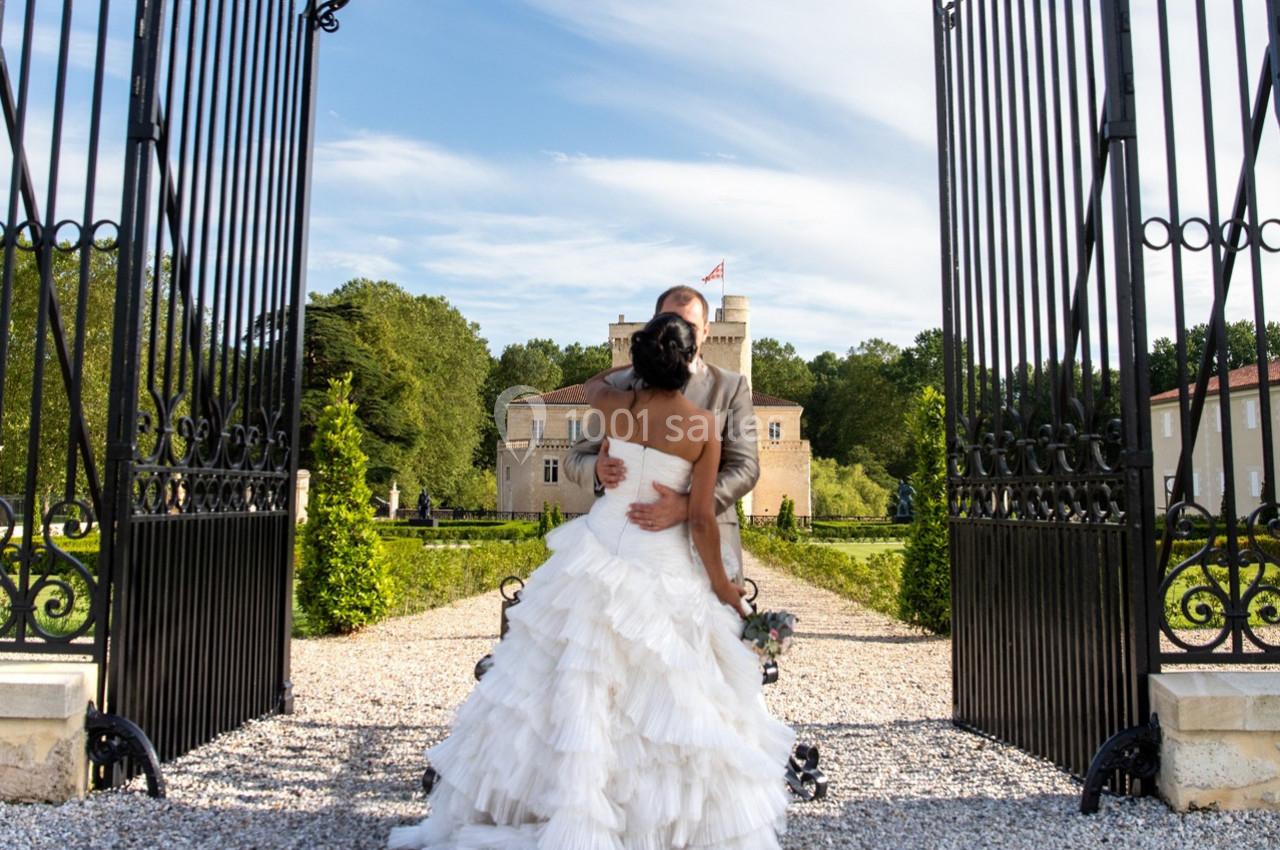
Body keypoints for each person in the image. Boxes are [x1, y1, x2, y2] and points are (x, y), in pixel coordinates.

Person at [389, 312, 794, 850]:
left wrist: (633, 369)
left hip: (598, 548)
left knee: (563, 681)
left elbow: (593, 384)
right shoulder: (701, 428)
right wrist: (723, 587)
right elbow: (699, 521)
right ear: (691, 360)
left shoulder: (615, 408)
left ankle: (552, 806)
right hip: (661, 561)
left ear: (647, 359)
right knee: (669, 696)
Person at [565, 285, 759, 583]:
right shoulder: (618, 385)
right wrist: (596, 470)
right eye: (670, 320)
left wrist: (687, 505)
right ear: (655, 323)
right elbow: (575, 458)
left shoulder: (730, 388)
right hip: (622, 554)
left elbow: (745, 467)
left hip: (704, 549)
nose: (676, 332)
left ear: (706, 332)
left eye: (689, 326)